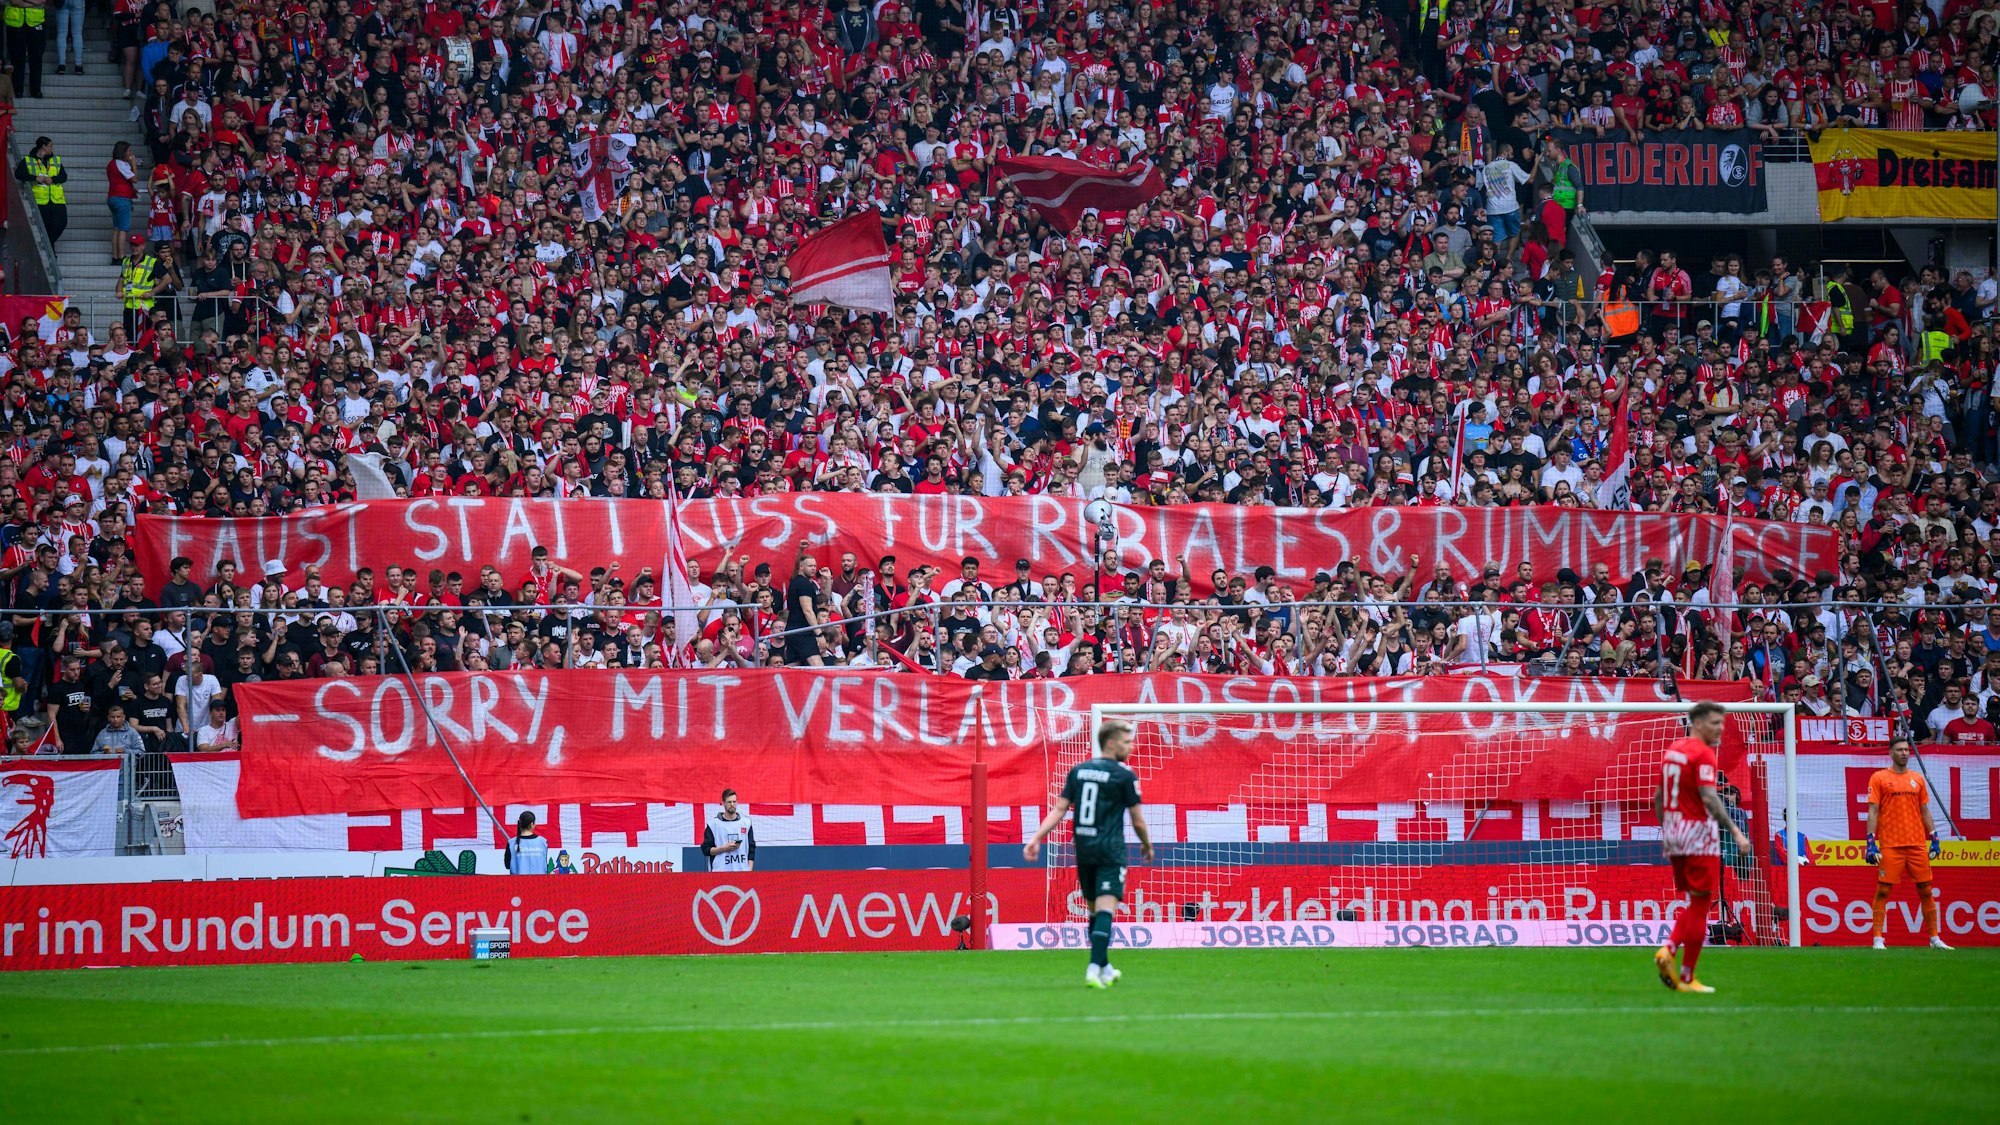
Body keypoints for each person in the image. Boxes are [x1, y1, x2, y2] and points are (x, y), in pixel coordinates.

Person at [1024, 718, 1153, 989]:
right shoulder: (1125, 775)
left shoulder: (1079, 771)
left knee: (1094, 912)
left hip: (1083, 848)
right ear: (1110, 743)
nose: (1130, 747)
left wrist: (1037, 838)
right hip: (1110, 850)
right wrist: (1147, 844)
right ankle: (1093, 968)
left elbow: (1059, 809)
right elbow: (1138, 820)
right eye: (1126, 742)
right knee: (1106, 910)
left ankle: (1105, 967)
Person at [1651, 701, 1751, 994]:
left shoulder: (1673, 751)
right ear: (1697, 723)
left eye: (1722, 723)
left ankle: (1669, 949)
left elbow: (1658, 796)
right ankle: (1686, 976)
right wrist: (1735, 831)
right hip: (1698, 833)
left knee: (1695, 902)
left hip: (1674, 832)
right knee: (1701, 904)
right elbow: (1709, 796)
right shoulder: (1703, 754)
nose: (1720, 729)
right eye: (1714, 723)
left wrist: (1668, 827)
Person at [1865, 738, 1951, 950]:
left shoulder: (1917, 779)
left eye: (1906, 749)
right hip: (1891, 844)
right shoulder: (1879, 778)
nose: (1904, 753)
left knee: (1926, 890)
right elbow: (1873, 811)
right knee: (1884, 890)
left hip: (1916, 844)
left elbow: (1924, 809)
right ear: (1890, 753)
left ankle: (1934, 939)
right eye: (1899, 750)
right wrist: (1870, 841)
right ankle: (1877, 938)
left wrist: (1934, 836)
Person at [15, 136, 67, 241]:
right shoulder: (28, 160)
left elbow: (64, 177)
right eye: (50, 146)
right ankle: (51, 252)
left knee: (61, 224)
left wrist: (52, 179)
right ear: (44, 147)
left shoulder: (55, 160)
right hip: (40, 202)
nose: (52, 148)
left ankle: (49, 244)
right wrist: (35, 178)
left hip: (57, 200)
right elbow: (19, 174)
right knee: (46, 228)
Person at [702, 787, 755, 872]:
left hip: (742, 872)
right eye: (729, 802)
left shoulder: (746, 823)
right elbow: (706, 850)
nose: (732, 804)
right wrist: (725, 848)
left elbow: (751, 849)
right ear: (723, 803)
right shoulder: (713, 824)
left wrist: (749, 870)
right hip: (720, 873)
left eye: (734, 802)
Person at [107, 141, 140, 263]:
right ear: (123, 152)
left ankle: (115, 257)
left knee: (116, 228)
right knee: (123, 229)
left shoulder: (111, 164)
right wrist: (133, 164)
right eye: (129, 151)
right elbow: (134, 179)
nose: (131, 153)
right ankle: (121, 256)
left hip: (112, 197)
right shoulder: (121, 164)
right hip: (122, 198)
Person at [507, 810, 548, 875]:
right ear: (532, 824)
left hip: (518, 883)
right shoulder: (543, 842)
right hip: (539, 883)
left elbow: (507, 865)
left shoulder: (511, 843)